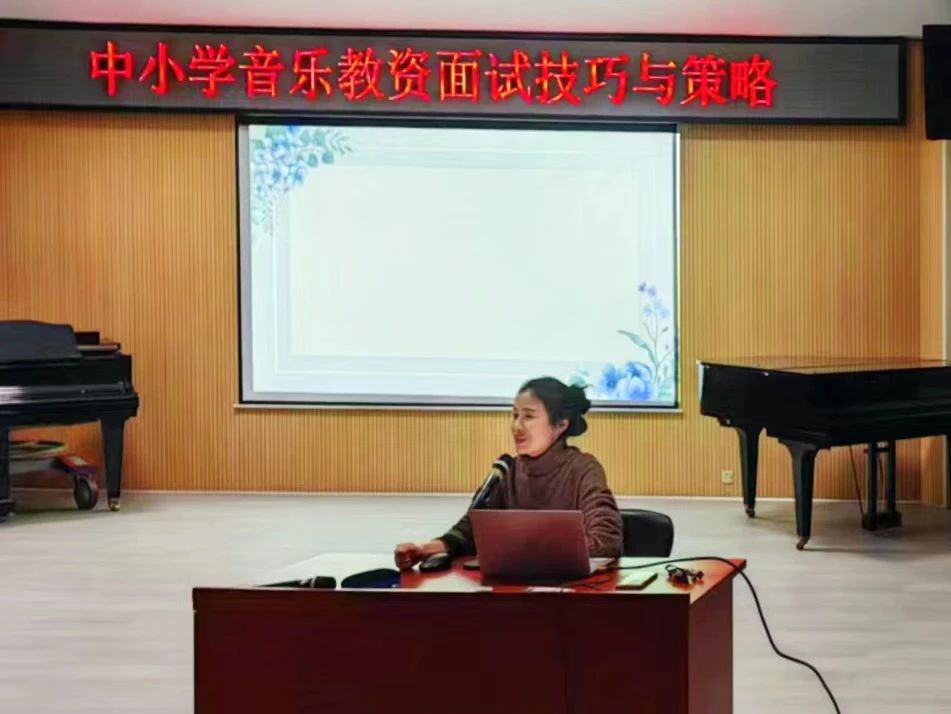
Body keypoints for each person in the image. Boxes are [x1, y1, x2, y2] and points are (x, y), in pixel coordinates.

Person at [394, 377, 623, 570]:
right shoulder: (507, 471)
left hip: (568, 592)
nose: (516, 426)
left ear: (561, 424)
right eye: (515, 416)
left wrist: (526, 550)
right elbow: (470, 530)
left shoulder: (583, 469)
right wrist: (424, 549)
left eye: (529, 416)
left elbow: (606, 541)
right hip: (512, 589)